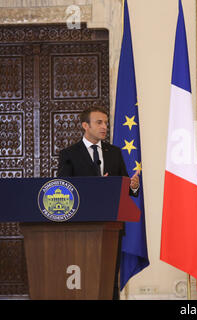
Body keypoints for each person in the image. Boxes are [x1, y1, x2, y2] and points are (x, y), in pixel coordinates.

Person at [57, 106, 140, 299]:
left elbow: (126, 188)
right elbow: (64, 188)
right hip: (82, 225)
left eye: (106, 123)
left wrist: (133, 186)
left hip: (112, 224)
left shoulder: (114, 152)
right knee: (87, 273)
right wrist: (95, 187)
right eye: (99, 122)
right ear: (85, 125)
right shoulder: (69, 154)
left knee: (110, 276)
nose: (104, 127)